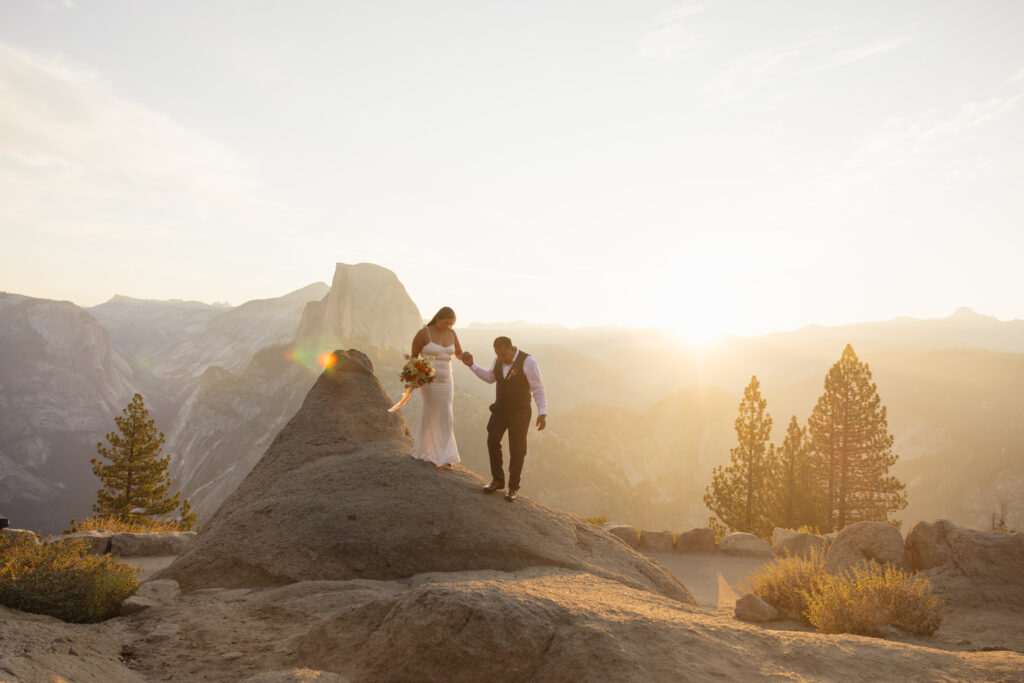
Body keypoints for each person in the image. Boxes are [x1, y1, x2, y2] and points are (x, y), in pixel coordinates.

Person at [461, 336, 547, 502]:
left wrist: (542, 412)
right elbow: (490, 378)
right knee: (492, 440)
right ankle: (498, 480)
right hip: (500, 409)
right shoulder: (498, 359)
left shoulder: (528, 362)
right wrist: (471, 365)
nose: (500, 358)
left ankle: (513, 487)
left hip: (520, 412)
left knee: (517, 449)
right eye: (497, 355)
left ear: (511, 348)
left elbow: (538, 388)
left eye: (502, 354)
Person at [409, 307, 464, 468]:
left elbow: (458, 353)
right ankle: (426, 452)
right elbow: (413, 357)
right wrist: (415, 376)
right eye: (446, 323)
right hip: (429, 380)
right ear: (438, 318)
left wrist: (465, 356)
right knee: (432, 411)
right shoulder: (423, 333)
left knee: (446, 413)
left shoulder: (452, 334)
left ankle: (445, 456)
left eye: (451, 324)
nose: (448, 326)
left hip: (447, 380)